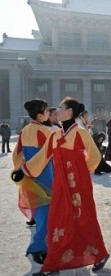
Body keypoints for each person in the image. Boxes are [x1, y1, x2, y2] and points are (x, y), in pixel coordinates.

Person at [12, 97, 110, 273]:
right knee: (58, 219)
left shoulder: (81, 133)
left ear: (69, 112)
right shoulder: (55, 135)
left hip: (79, 187)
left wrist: (79, 173)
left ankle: (100, 254)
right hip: (60, 185)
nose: (57, 110)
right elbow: (42, 156)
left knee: (85, 219)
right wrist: (23, 170)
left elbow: (95, 158)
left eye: (60, 107)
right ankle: (54, 262)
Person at [11, 99, 53, 265]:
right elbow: (51, 154)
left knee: (41, 215)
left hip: (30, 179)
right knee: (47, 215)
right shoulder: (44, 131)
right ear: (40, 114)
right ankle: (37, 248)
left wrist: (24, 170)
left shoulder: (25, 130)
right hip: (45, 177)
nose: (49, 113)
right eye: (47, 111)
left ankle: (43, 247)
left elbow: (17, 155)